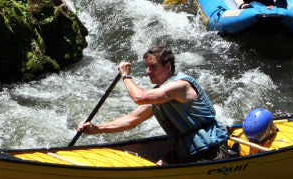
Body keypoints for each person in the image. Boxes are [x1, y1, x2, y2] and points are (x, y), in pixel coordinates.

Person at [76, 45, 230, 164]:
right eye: (147, 67)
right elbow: (131, 120)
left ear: (168, 67)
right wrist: (96, 129)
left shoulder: (180, 86)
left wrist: (126, 75)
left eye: (153, 66)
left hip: (212, 150)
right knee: (161, 163)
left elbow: (139, 97)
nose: (148, 71)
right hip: (188, 151)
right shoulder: (159, 95)